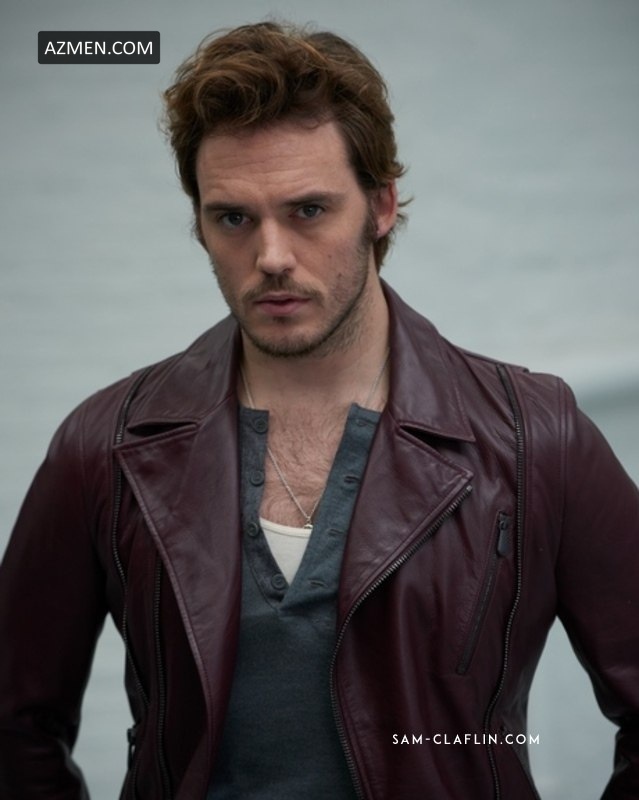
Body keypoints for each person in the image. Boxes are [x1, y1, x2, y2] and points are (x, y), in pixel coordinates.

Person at [0, 20, 637, 800]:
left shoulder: (534, 437)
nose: (270, 256)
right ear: (199, 224)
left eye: (307, 210)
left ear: (379, 205)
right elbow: (14, 726)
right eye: (233, 218)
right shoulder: (107, 445)